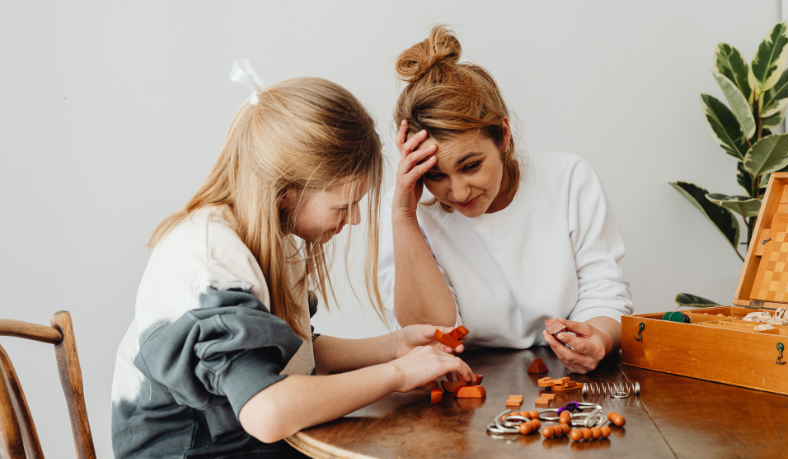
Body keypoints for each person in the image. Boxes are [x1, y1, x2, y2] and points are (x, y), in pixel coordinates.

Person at [111, 60, 472, 458]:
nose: (352, 219)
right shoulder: (213, 263)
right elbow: (266, 410)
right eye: (343, 205)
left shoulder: (267, 234)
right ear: (286, 192)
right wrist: (399, 374)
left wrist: (391, 347)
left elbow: (289, 356)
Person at [379, 27, 634, 374]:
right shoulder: (408, 207)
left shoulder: (569, 178)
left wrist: (599, 338)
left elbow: (604, 290)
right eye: (435, 175)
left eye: (471, 166)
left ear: (504, 136)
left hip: (562, 375)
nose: (459, 192)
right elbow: (431, 334)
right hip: (462, 377)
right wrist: (404, 216)